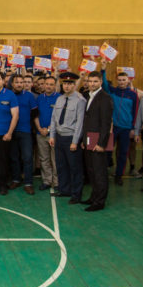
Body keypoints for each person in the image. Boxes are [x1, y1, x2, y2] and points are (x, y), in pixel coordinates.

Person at [49, 73, 86, 204]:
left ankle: (76, 194)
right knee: (61, 166)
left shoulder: (80, 100)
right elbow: (53, 118)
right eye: (65, 83)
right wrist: (52, 135)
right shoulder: (59, 99)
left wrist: (75, 141)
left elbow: (80, 123)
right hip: (59, 137)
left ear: (75, 85)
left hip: (71, 138)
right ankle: (64, 190)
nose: (67, 86)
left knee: (75, 168)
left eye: (70, 84)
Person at [100, 60, 138, 186]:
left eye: (124, 80)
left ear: (128, 81)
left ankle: (119, 175)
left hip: (126, 129)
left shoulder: (133, 95)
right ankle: (104, 174)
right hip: (113, 127)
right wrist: (103, 69)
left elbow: (135, 112)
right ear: (117, 80)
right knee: (107, 152)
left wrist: (133, 128)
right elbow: (104, 83)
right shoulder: (112, 91)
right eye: (120, 80)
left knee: (123, 153)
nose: (121, 82)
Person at [80, 71, 113, 211]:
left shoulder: (105, 98)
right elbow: (87, 121)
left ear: (100, 82)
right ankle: (94, 197)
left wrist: (101, 144)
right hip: (89, 138)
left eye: (95, 81)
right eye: (90, 81)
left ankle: (99, 202)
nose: (92, 84)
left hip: (99, 141)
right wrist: (84, 140)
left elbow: (106, 123)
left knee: (99, 172)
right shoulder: (88, 96)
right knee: (91, 170)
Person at [8, 75, 38, 195]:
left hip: (25, 131)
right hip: (11, 131)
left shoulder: (29, 96)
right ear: (12, 84)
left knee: (27, 157)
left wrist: (37, 128)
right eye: (17, 82)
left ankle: (28, 183)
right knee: (13, 157)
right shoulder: (9, 95)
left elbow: (35, 114)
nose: (20, 84)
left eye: (22, 82)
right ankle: (16, 179)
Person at [34, 76, 60, 191]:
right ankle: (47, 181)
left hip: (54, 135)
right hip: (40, 134)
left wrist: (49, 130)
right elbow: (35, 115)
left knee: (55, 159)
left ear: (55, 86)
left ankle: (57, 182)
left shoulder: (59, 98)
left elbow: (59, 117)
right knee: (44, 158)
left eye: (51, 84)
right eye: (47, 84)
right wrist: (40, 129)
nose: (48, 86)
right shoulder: (39, 98)